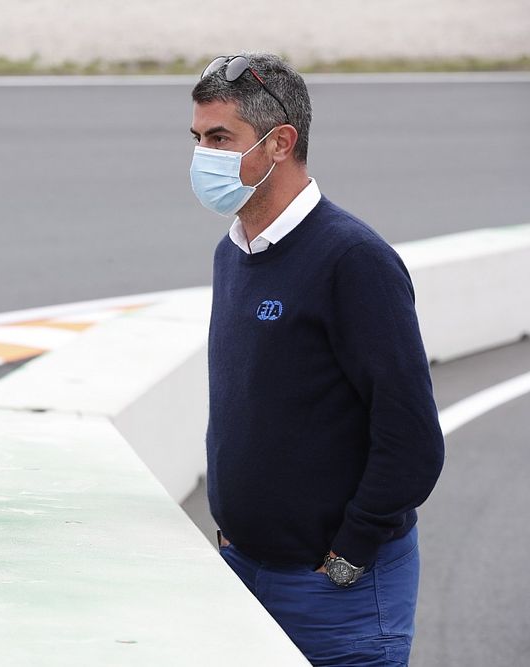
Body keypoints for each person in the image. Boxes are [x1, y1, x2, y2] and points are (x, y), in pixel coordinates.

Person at [190, 53, 444, 665]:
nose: (203, 156)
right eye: (198, 138)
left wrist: (349, 554)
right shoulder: (234, 253)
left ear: (280, 143)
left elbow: (411, 436)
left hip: (336, 594)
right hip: (243, 572)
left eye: (220, 138)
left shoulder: (353, 260)